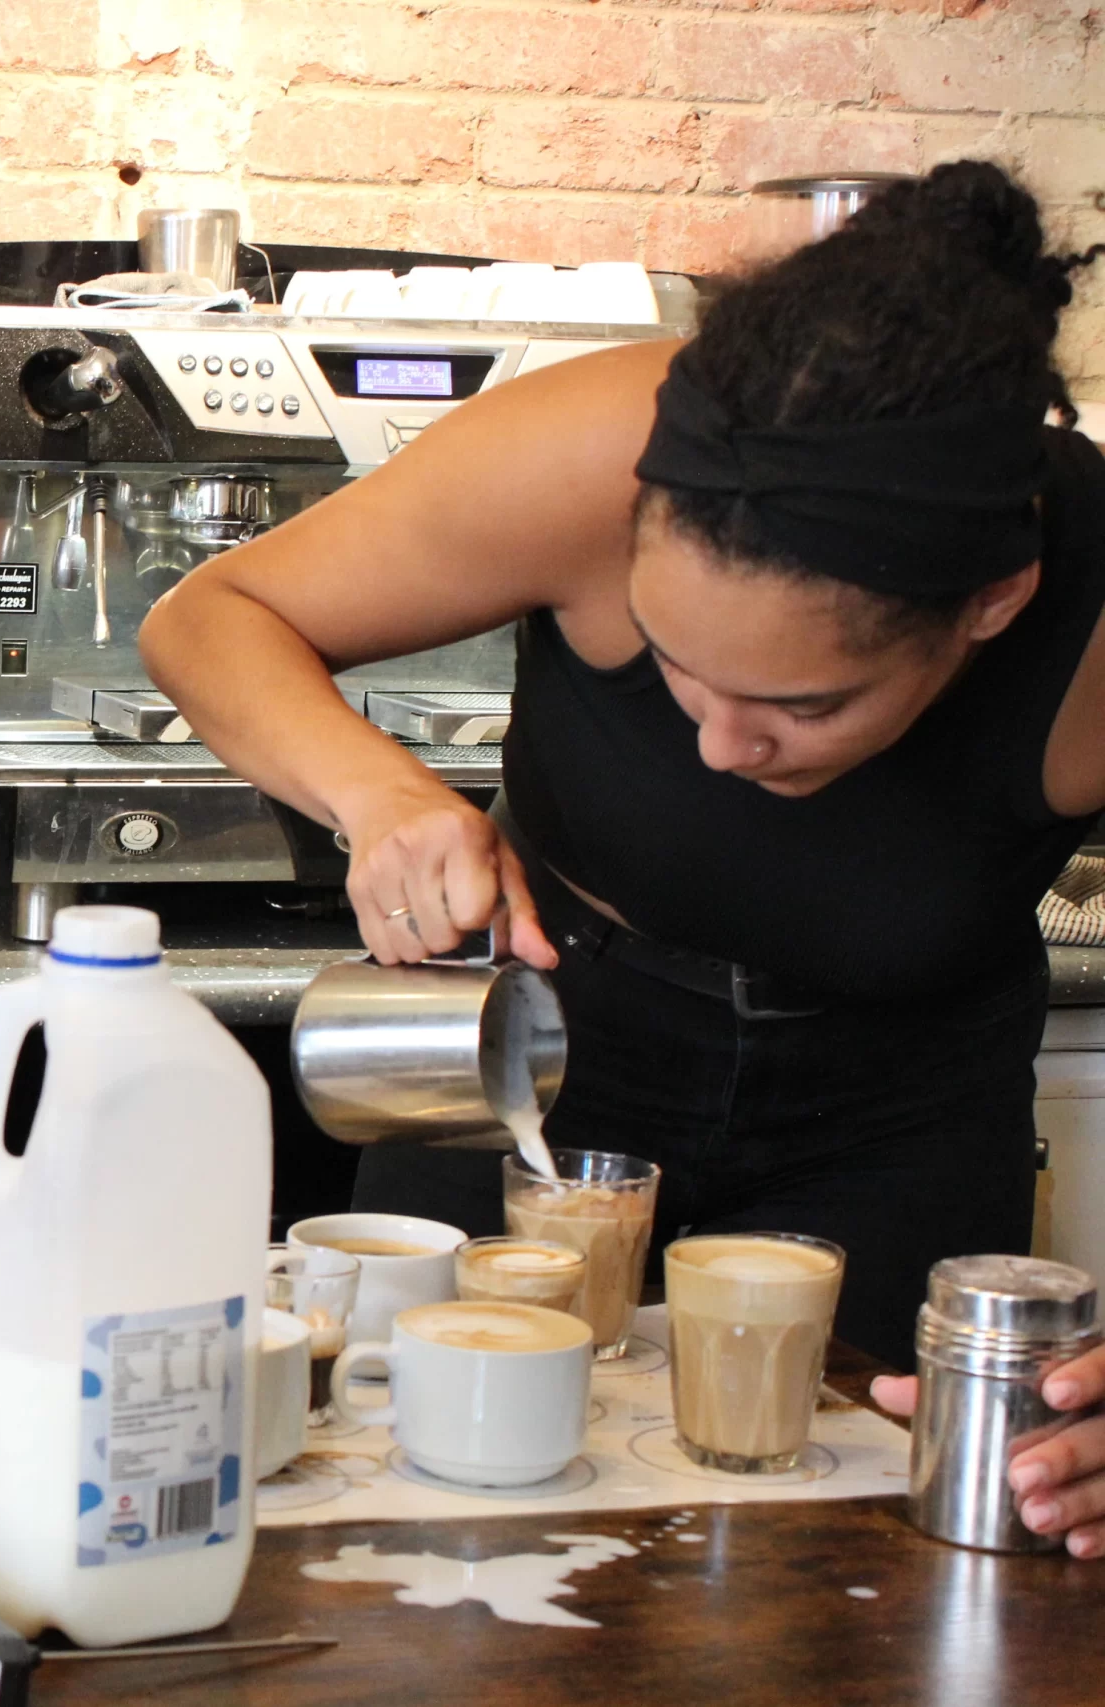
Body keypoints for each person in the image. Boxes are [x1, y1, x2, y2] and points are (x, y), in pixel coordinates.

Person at [141, 160, 1105, 1559]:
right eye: (672, 661)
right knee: (404, 1538)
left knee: (859, 1575)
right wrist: (380, 792)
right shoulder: (590, 448)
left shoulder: (1086, 626)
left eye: (805, 706)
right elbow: (215, 612)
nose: (719, 746)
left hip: (895, 1113)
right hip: (538, 1045)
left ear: (991, 607)